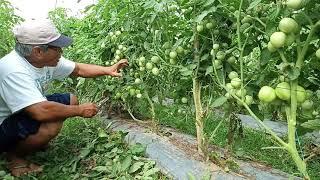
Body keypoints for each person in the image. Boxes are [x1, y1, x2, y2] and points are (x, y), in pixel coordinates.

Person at [0, 19, 128, 177]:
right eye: (57, 48)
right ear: (38, 51)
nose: (61, 52)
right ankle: (15, 157)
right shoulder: (13, 70)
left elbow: (78, 69)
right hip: (3, 124)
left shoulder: (43, 60)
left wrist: (108, 70)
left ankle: (32, 142)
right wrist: (79, 110)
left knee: (70, 99)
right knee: (51, 125)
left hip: (22, 111)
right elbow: (40, 111)